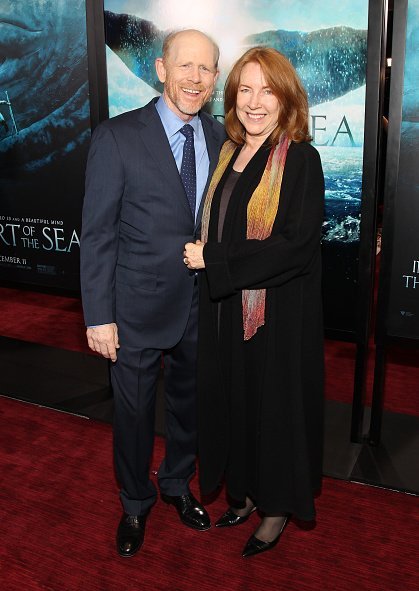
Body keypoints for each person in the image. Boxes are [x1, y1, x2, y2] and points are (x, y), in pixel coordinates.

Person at [80, 29, 225, 557]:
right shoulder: (116, 137)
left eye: (205, 69)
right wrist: (99, 316)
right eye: (184, 66)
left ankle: (176, 485)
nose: (194, 78)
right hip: (134, 308)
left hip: (200, 305)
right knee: (135, 414)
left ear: (215, 77)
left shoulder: (218, 136)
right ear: (162, 69)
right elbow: (96, 233)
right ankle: (135, 503)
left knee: (189, 408)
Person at [184, 47, 324, 558]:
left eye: (267, 90)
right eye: (245, 89)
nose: (255, 102)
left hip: (276, 318)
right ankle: (241, 493)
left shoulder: (300, 158)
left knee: (272, 409)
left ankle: (276, 510)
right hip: (225, 310)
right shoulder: (229, 152)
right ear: (233, 96)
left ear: (286, 98)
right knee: (235, 402)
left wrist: (214, 259)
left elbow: (294, 244)